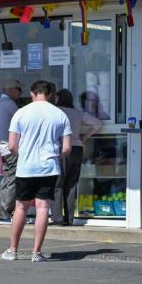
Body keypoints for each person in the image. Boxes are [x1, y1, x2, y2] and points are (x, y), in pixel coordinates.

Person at [1, 80, 71, 262]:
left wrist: (22, 154)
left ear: (33, 93)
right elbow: (66, 148)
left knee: (21, 207)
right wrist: (54, 155)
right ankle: (36, 252)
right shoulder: (60, 114)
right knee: (43, 208)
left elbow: (11, 145)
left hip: (26, 167)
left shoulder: (20, 113)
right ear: (49, 95)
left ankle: (13, 250)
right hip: (48, 167)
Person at [51, 89, 102, 225]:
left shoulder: (55, 111)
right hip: (77, 149)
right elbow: (97, 123)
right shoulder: (78, 113)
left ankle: (57, 217)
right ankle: (69, 218)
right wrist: (84, 137)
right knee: (71, 185)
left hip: (62, 149)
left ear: (58, 98)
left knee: (57, 184)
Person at [0, 78, 23, 224]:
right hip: (11, 147)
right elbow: (23, 121)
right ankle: (4, 214)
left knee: (6, 180)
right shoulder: (9, 104)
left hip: (3, 147)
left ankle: (1, 213)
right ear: (12, 89)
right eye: (19, 91)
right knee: (12, 180)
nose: (20, 94)